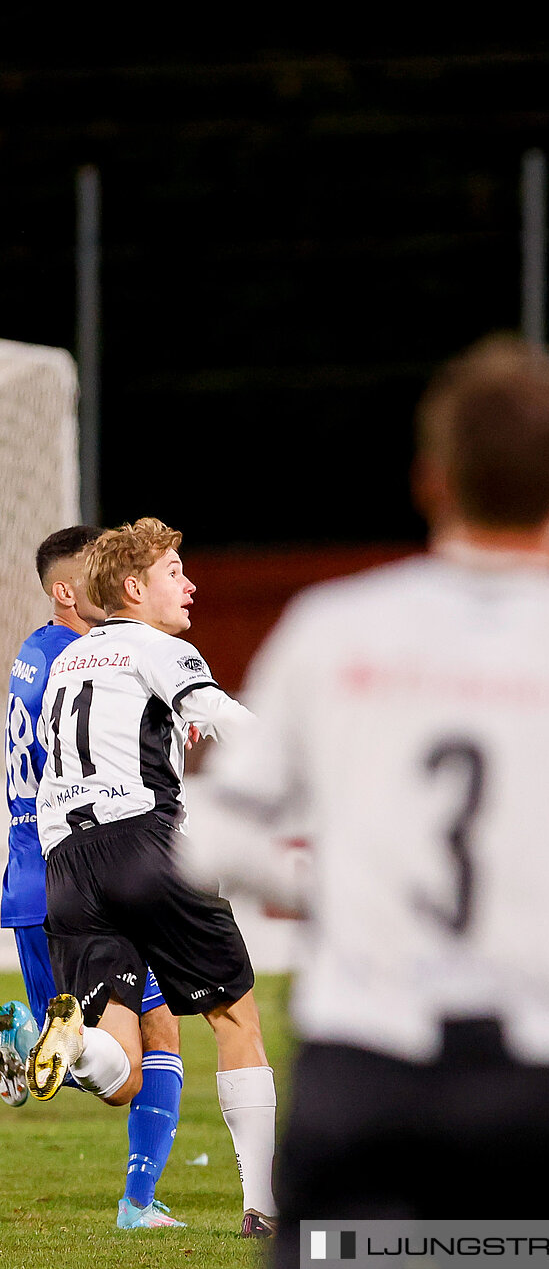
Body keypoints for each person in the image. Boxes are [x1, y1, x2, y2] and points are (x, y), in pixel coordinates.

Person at [180, 337, 549, 1263]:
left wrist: (344, 897)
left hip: (360, 1053)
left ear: (431, 481)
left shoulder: (332, 628)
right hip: (537, 1069)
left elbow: (212, 843)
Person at [25, 517, 277, 1239]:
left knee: (123, 1065)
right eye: (174, 570)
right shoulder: (157, 647)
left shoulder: (70, 663)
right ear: (134, 587)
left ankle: (70, 1044)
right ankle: (263, 1206)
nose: (189, 583)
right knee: (236, 1017)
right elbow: (220, 715)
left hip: (66, 869)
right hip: (144, 844)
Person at [2, 526, 190, 1230]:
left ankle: (137, 1204)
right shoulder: (81, 662)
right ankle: (24, 1035)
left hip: (33, 879)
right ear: (67, 591)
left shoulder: (33, 652)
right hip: (84, 878)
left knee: (151, 1032)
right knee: (122, 1068)